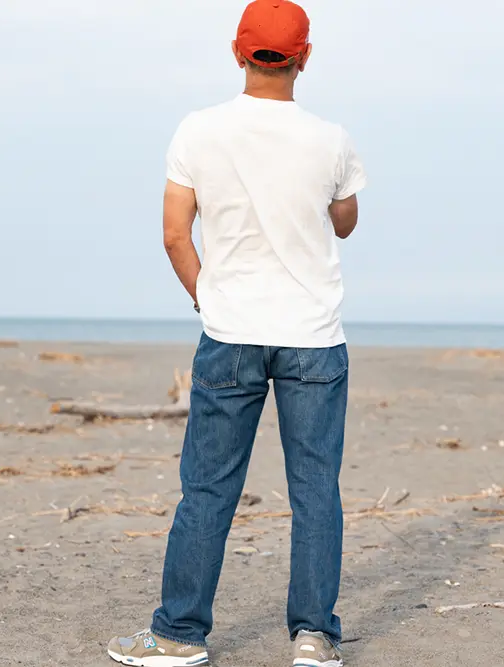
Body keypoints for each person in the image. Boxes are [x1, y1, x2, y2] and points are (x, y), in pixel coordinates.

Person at [107, 2, 366, 665]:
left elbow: (173, 233)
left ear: (238, 52)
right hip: (312, 334)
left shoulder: (198, 131)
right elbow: (345, 222)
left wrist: (207, 295)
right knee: (314, 488)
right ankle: (313, 636)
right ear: (305, 57)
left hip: (231, 331)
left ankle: (179, 634)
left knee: (209, 487)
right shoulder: (330, 138)